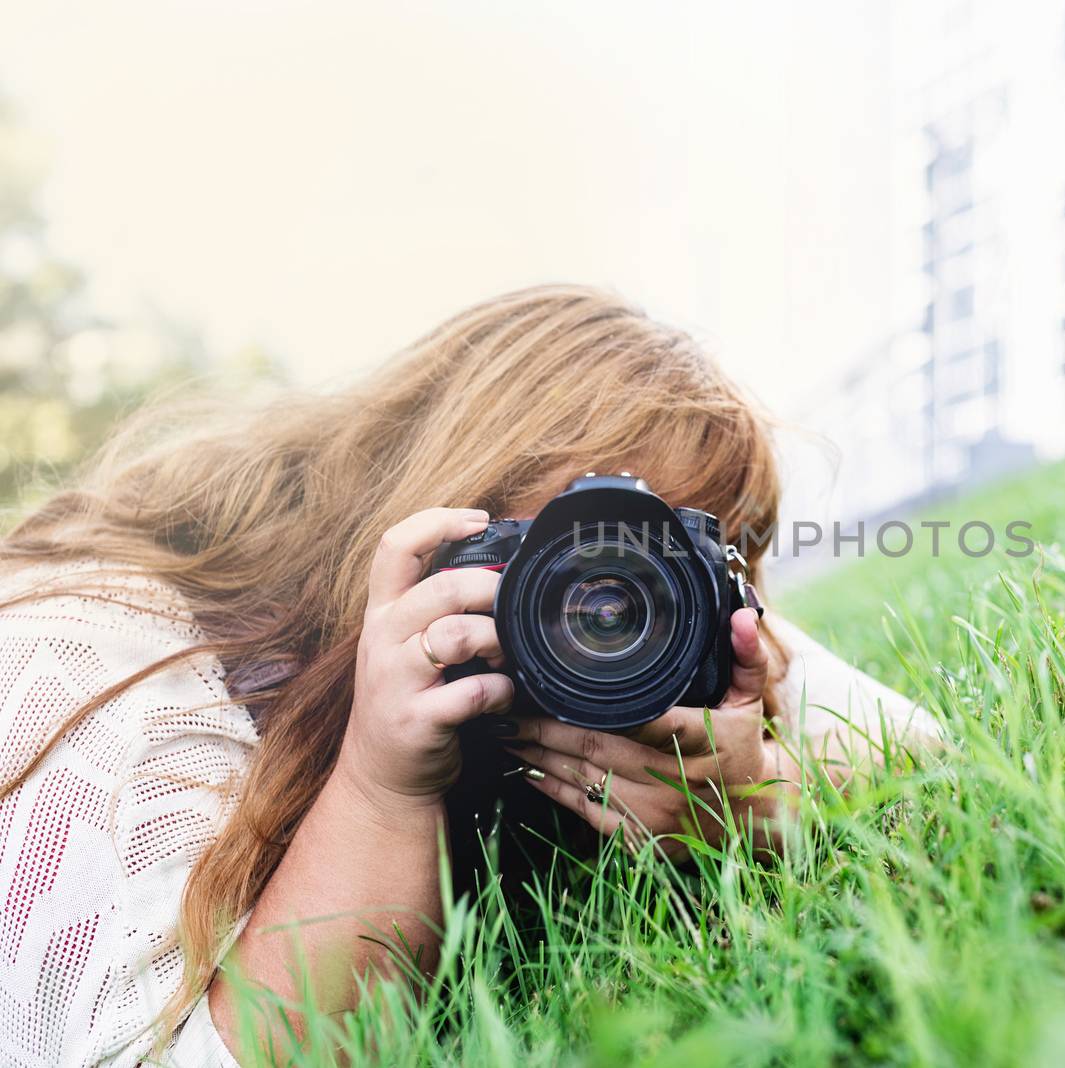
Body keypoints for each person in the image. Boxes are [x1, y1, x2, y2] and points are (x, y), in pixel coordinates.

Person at [0, 286, 936, 1066]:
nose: (605, 615)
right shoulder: (108, 666)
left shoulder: (666, 619)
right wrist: (380, 784)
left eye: (662, 566)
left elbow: (932, 768)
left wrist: (761, 800)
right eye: (561, 562)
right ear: (445, 525)